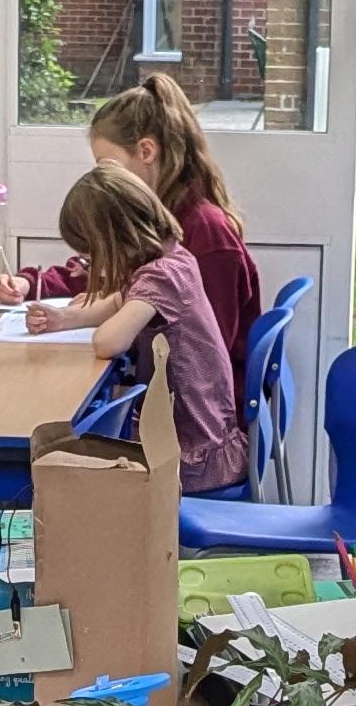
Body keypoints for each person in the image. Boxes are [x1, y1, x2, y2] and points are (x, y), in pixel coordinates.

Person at [32, 73, 260, 393]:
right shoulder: (161, 229)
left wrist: (116, 315)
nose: (103, 177)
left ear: (146, 151)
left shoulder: (207, 233)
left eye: (107, 165)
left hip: (198, 408)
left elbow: (206, 351)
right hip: (168, 396)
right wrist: (46, 295)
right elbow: (117, 279)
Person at [34, 161, 244, 495]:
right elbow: (120, 301)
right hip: (196, 435)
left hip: (191, 456)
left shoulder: (161, 276)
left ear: (115, 240)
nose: (92, 266)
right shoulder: (174, 258)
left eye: (91, 256)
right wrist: (64, 319)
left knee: (68, 453)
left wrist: (94, 322)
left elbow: (109, 342)